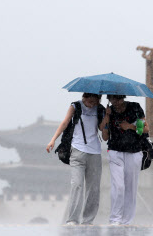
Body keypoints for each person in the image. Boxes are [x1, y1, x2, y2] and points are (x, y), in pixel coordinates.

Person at [46, 93, 107, 225]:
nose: (91, 104)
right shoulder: (76, 106)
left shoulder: (100, 109)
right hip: (77, 151)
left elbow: (102, 129)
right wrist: (53, 140)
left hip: (94, 152)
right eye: (89, 101)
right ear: (84, 97)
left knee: (93, 188)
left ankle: (88, 220)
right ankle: (72, 219)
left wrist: (106, 115)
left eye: (95, 101)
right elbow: (65, 122)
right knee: (77, 184)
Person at [101, 95, 149, 225]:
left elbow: (145, 129)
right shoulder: (108, 112)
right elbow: (105, 137)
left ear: (123, 97)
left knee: (130, 188)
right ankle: (115, 219)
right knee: (118, 186)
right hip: (115, 152)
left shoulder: (135, 108)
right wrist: (106, 117)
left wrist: (130, 127)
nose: (116, 102)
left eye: (118, 99)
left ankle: (126, 220)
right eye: (112, 99)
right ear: (109, 99)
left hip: (134, 152)